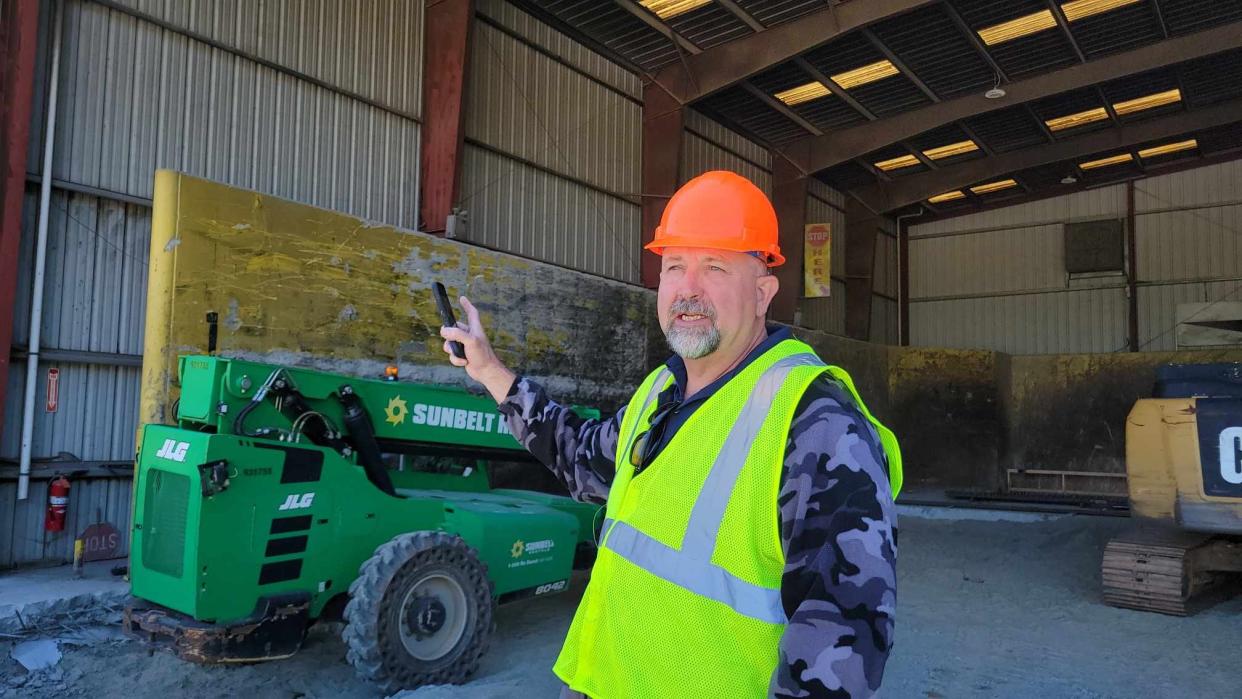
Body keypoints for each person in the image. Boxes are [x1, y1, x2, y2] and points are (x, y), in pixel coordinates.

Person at [440, 170, 902, 699]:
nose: (688, 289)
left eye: (714, 267)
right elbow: (584, 461)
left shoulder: (817, 422)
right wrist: (491, 371)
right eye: (675, 266)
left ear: (762, 292)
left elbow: (842, 638)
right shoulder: (661, 388)